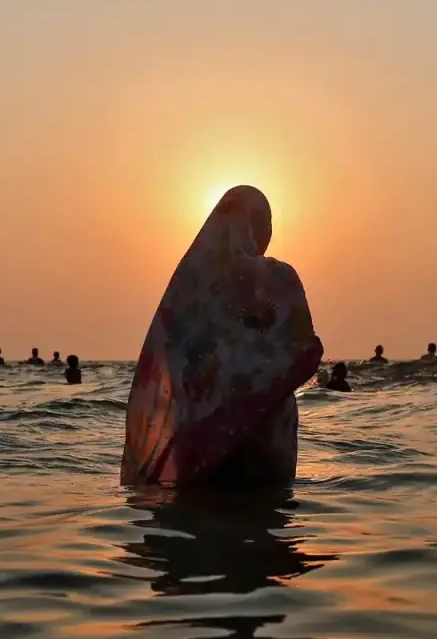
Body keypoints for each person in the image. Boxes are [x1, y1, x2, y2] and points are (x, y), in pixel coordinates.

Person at [122, 185, 323, 487]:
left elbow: (165, 367)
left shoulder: (185, 291)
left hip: (194, 443)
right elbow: (302, 351)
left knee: (198, 523)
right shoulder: (278, 278)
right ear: (259, 226)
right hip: (264, 434)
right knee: (263, 521)